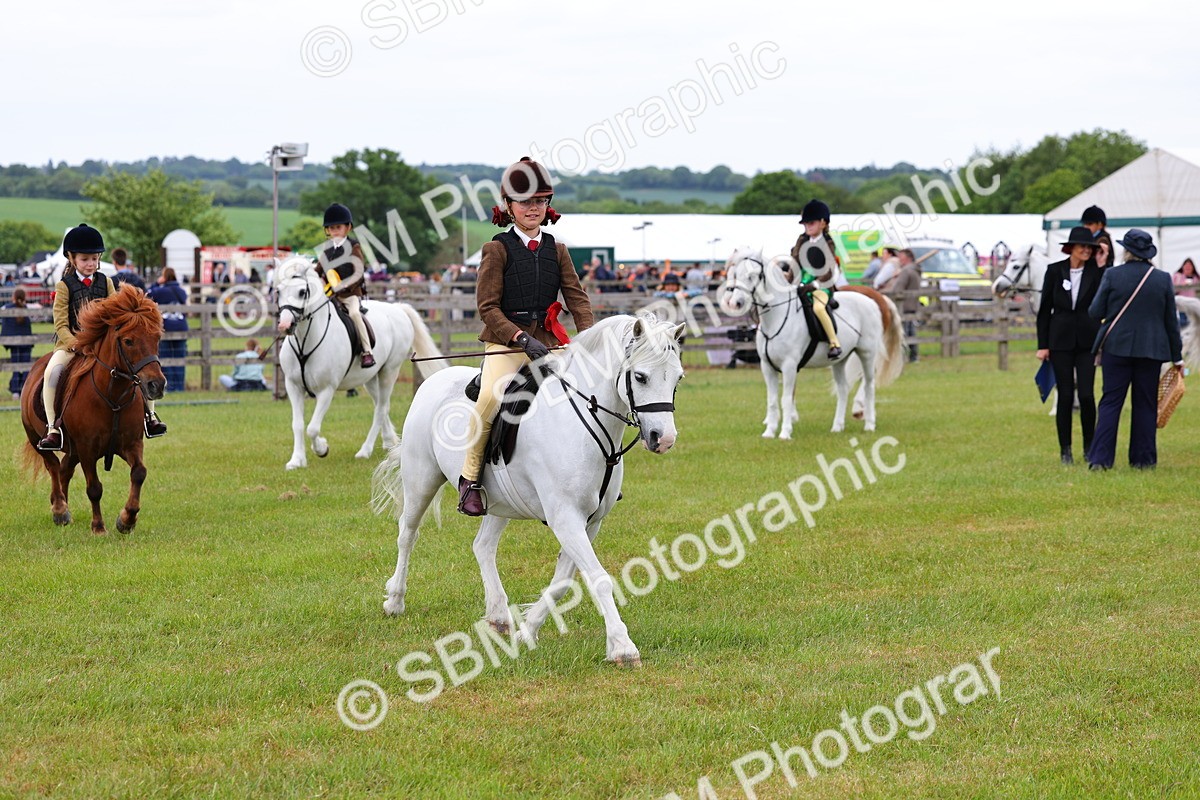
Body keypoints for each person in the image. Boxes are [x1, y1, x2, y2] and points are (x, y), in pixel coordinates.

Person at [457, 157, 595, 516]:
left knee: (584, 393)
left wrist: (590, 339)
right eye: (525, 202)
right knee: (490, 396)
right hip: (506, 342)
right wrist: (520, 339)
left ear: (547, 205)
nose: (533, 208)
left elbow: (576, 298)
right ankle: (469, 478)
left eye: (540, 201)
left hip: (549, 342)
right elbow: (487, 307)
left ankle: (588, 478)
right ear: (509, 207)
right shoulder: (496, 249)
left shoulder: (558, 249)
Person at [37, 224, 167, 451]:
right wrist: (76, 345)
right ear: (72, 258)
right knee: (52, 373)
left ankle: (150, 416)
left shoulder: (105, 282)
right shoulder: (64, 286)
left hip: (101, 345)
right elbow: (60, 323)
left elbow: (115, 314)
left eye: (95, 258)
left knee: (140, 366)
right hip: (71, 346)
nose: (91, 264)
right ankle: (53, 429)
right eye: (85, 259)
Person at [1087, 229, 1184, 471]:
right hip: (1151, 350)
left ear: (1126, 251)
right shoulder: (1162, 279)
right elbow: (1171, 323)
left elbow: (1095, 311)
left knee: (1110, 403)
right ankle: (1143, 460)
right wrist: (1177, 357)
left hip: (1116, 347)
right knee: (1145, 404)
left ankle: (1100, 460)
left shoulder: (1112, 275)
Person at [1035, 227, 1103, 464]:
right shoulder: (1055, 271)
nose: (1086, 250)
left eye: (1090, 247)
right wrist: (1043, 345)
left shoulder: (1098, 273)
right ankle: (1065, 450)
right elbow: (1044, 311)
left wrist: (1102, 261)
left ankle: (1089, 447)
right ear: (1071, 247)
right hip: (1060, 342)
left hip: (1087, 342)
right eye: (1082, 246)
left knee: (1086, 395)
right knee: (1064, 396)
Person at [315, 203, 374, 368]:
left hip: (349, 295)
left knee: (355, 314)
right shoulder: (327, 249)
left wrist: (344, 287)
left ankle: (367, 351)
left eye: (338, 227)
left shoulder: (353, 246)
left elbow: (359, 272)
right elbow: (318, 269)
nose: (334, 231)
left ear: (348, 228)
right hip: (330, 295)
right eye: (331, 228)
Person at [790, 199, 843, 358]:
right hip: (802, 282)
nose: (808, 227)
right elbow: (795, 262)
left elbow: (829, 269)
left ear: (822, 222)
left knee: (818, 308)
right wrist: (786, 278)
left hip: (822, 284)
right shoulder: (802, 240)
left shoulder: (827, 242)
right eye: (805, 224)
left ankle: (834, 343)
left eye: (811, 223)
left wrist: (815, 283)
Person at [147, 267, 189, 393]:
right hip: (181, 326)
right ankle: (179, 386)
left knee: (165, 356)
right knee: (179, 357)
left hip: (166, 326)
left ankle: (169, 386)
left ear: (164, 277)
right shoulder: (181, 291)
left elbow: (147, 294)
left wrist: (157, 283)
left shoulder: (160, 291)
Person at [889, 249, 924, 363]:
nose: (899, 259)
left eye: (901, 257)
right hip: (913, 304)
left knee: (903, 332)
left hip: (903, 305)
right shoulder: (915, 270)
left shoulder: (905, 271)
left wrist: (894, 279)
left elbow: (897, 289)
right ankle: (913, 356)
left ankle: (902, 356)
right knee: (911, 331)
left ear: (907, 258)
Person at [3, 287, 33, 399]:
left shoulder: (7, 308)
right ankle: (24, 390)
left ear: (14, 297)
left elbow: (6, 326)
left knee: (16, 366)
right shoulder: (25, 308)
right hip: (26, 344)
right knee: (25, 367)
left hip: (14, 345)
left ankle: (15, 390)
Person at [1173, 257, 1198, 328]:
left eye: (1190, 265)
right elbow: (1172, 289)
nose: (1188, 267)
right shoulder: (1177, 276)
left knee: (1193, 324)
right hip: (1182, 305)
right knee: (1183, 323)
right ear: (1182, 266)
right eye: (1186, 265)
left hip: (1193, 305)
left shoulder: (1196, 278)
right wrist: (1182, 285)